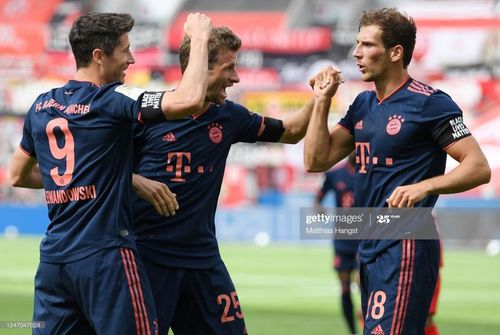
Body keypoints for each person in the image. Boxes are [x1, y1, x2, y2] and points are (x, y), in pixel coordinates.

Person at [9, 11, 212, 335]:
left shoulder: (41, 105)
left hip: (54, 262)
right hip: (106, 259)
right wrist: (200, 38)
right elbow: (188, 100)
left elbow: (17, 174)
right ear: (99, 56)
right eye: (125, 50)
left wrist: (119, 179)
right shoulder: (113, 98)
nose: (131, 59)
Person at [303, 7, 490, 335]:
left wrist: (425, 187)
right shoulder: (363, 103)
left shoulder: (429, 103)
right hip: (370, 241)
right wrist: (321, 102)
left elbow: (479, 167)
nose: (357, 53)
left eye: (367, 45)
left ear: (395, 52)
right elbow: (315, 161)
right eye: (357, 44)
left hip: (407, 243)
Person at [131, 26, 329, 334]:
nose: (236, 77)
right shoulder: (146, 111)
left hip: (203, 259)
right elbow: (99, 166)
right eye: (229, 68)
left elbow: (289, 132)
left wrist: (317, 98)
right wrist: (135, 180)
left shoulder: (228, 116)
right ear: (200, 67)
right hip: (148, 259)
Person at [314, 152, 360, 335]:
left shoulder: (369, 173)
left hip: (364, 237)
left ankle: (371, 327)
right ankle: (353, 332)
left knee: (365, 283)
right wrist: (319, 209)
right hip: (342, 238)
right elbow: (318, 197)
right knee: (345, 289)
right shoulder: (334, 174)